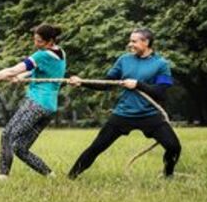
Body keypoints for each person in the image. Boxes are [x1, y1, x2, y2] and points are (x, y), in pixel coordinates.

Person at [67, 28, 180, 179]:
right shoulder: (124, 60)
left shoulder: (161, 64)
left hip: (150, 115)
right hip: (123, 113)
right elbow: (107, 84)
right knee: (96, 147)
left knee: (173, 147)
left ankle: (168, 175)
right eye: (130, 41)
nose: (130, 44)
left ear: (146, 42)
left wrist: (138, 84)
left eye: (134, 41)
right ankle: (70, 177)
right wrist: (82, 82)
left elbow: (161, 92)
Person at [0, 24, 67, 180]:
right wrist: (22, 77)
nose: (36, 44)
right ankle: (51, 176)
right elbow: (43, 71)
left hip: (36, 104)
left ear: (50, 41)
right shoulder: (61, 53)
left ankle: (3, 178)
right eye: (35, 40)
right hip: (49, 108)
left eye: (40, 41)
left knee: (7, 135)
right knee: (20, 147)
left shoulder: (41, 55)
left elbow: (11, 71)